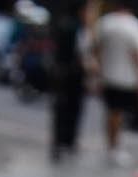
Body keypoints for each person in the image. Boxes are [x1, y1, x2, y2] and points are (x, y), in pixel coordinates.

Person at [93, 0, 138, 166]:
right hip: (126, 77)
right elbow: (137, 55)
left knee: (111, 112)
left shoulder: (105, 22)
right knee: (118, 113)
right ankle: (114, 147)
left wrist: (99, 72)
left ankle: (111, 145)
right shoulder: (134, 26)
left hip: (108, 75)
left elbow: (97, 49)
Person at [49, 1, 87, 161]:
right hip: (72, 74)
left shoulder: (62, 23)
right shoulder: (77, 28)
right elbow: (80, 53)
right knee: (71, 108)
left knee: (60, 109)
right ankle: (66, 141)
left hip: (61, 72)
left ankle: (59, 142)